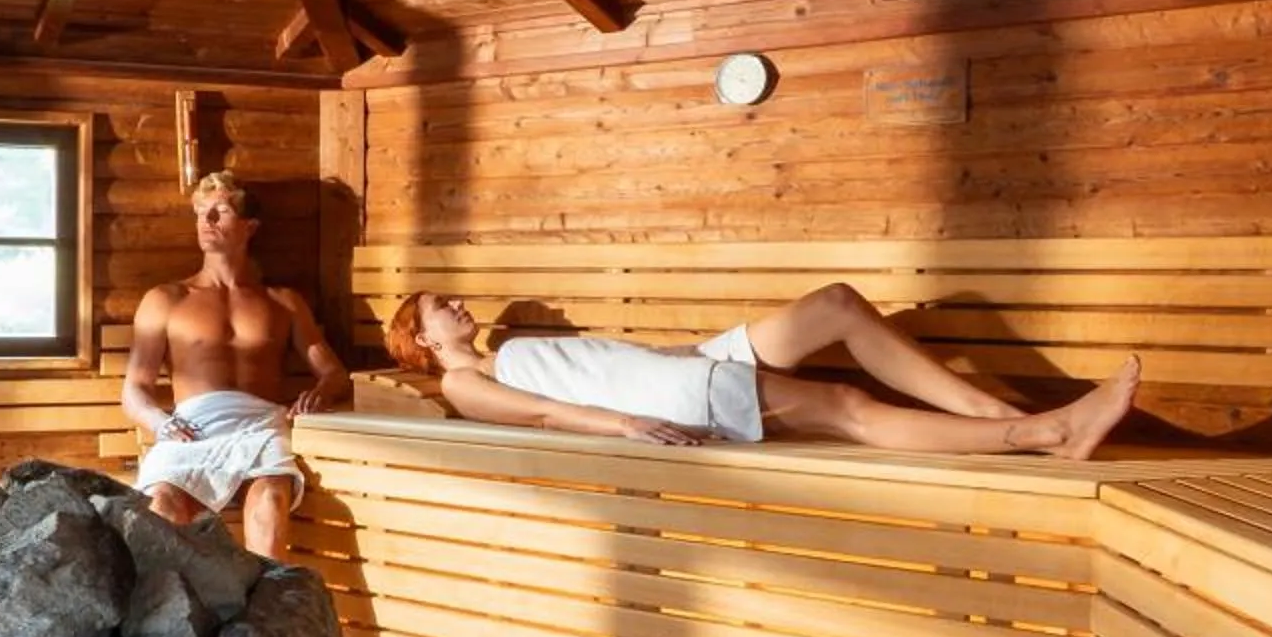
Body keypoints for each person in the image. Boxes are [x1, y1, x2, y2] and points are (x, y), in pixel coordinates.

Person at [381, 282, 1139, 460]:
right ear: (418, 337)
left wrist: (693, 353)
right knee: (843, 405)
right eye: (438, 307)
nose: (455, 302)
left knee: (837, 304)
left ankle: (981, 415)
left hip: (682, 365)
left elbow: (607, 364)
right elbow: (544, 416)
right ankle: (1043, 432)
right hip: (667, 399)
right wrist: (628, 425)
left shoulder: (509, 346)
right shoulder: (460, 382)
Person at [125, 172, 351, 556]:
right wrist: (161, 423)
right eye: (200, 212)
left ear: (250, 227)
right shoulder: (167, 299)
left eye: (221, 211)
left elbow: (334, 374)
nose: (207, 221)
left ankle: (266, 605)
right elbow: (135, 389)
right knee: (162, 504)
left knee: (270, 501)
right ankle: (165, 608)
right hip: (192, 428)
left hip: (259, 425)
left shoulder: (283, 302)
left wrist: (319, 394)